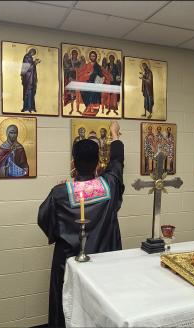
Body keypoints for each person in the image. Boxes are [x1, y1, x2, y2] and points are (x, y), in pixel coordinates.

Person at [38, 121, 124, 328]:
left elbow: (43, 218)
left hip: (69, 265)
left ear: (73, 162)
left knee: (67, 309)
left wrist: (59, 229)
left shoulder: (60, 193)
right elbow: (117, 162)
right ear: (97, 163)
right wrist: (115, 135)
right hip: (104, 265)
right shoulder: (109, 185)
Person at [76, 51, 111, 116]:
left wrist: (101, 79)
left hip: (95, 84)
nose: (93, 57)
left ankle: (91, 106)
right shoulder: (87, 65)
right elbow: (83, 74)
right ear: (89, 57)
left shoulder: (98, 66)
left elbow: (101, 75)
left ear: (96, 57)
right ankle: (88, 105)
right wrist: (88, 74)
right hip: (88, 82)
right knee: (82, 90)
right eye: (91, 56)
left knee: (93, 90)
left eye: (94, 56)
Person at [21, 48, 40, 113]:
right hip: (28, 79)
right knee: (28, 92)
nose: (33, 55)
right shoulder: (26, 57)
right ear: (31, 52)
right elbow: (27, 68)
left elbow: (32, 67)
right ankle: (27, 107)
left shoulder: (30, 58)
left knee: (31, 93)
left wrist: (34, 63)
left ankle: (31, 107)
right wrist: (35, 63)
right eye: (33, 54)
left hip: (31, 78)